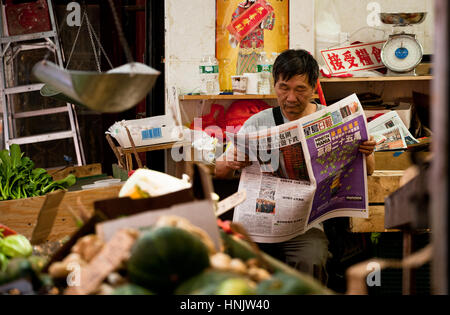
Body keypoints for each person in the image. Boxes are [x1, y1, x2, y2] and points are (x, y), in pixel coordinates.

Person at [215, 49, 376, 284]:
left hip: (307, 225)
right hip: (262, 220)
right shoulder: (258, 122)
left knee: (311, 259)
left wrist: (366, 152)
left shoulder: (332, 118)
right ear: (275, 85)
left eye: (300, 89)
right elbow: (220, 170)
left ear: (313, 87)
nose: (291, 98)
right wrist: (231, 161)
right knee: (238, 261)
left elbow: (369, 170)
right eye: (284, 88)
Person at [229, 0, 275, 75]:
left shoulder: (263, 5)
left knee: (259, 75)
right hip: (245, 49)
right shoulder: (241, 6)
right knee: (243, 75)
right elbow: (234, 27)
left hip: (258, 47)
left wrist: (267, 11)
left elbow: (269, 24)